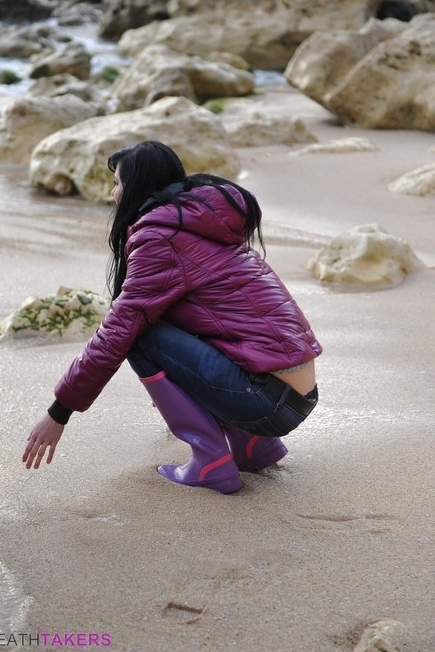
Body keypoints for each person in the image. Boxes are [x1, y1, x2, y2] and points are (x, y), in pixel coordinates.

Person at [23, 140, 322, 493]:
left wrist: (60, 411)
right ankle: (253, 445)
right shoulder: (200, 224)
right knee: (156, 323)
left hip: (267, 401)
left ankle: (210, 461)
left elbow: (118, 331)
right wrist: (178, 379)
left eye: (118, 183)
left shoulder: (160, 237)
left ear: (136, 186)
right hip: (295, 393)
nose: (113, 192)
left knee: (139, 336)